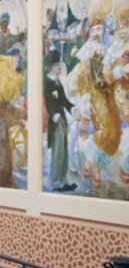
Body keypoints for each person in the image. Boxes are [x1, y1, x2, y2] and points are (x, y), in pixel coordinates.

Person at [44, 50, 77, 193]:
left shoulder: (57, 82)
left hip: (63, 121)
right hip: (55, 122)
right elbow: (48, 104)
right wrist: (55, 115)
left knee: (64, 151)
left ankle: (63, 180)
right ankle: (55, 181)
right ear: (51, 66)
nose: (60, 67)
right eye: (57, 65)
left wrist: (74, 109)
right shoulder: (47, 83)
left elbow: (64, 100)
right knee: (57, 152)